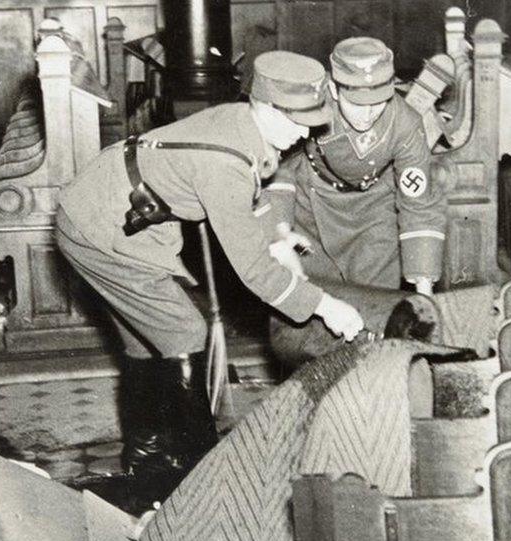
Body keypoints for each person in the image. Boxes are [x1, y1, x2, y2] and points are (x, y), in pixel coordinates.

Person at [53, 50, 365, 504]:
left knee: (150, 341)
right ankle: (204, 476)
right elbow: (253, 272)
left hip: (124, 214)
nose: (306, 132)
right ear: (263, 105)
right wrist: (324, 305)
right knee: (184, 331)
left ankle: (150, 463)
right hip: (99, 227)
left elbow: (250, 197)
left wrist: (273, 240)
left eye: (314, 119)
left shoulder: (246, 127)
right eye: (297, 119)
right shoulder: (224, 162)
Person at [264, 37, 447, 296]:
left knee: (375, 301)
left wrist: (424, 294)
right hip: (310, 207)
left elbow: (419, 205)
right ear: (335, 90)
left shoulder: (405, 124)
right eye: (357, 103)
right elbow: (279, 166)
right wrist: (280, 231)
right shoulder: (312, 102)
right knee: (309, 298)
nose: (369, 114)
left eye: (379, 101)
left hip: (373, 210)